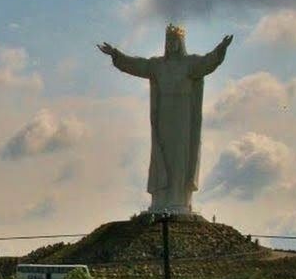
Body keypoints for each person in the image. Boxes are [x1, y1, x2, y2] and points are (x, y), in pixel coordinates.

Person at [98, 24, 232, 215]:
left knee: (180, 157)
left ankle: (179, 199)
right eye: (168, 41)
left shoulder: (190, 64)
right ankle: (161, 199)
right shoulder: (157, 65)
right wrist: (115, 54)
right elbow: (137, 65)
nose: (171, 45)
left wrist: (221, 49)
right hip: (163, 116)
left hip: (183, 117)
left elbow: (208, 62)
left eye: (174, 41)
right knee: (162, 154)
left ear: (181, 43)